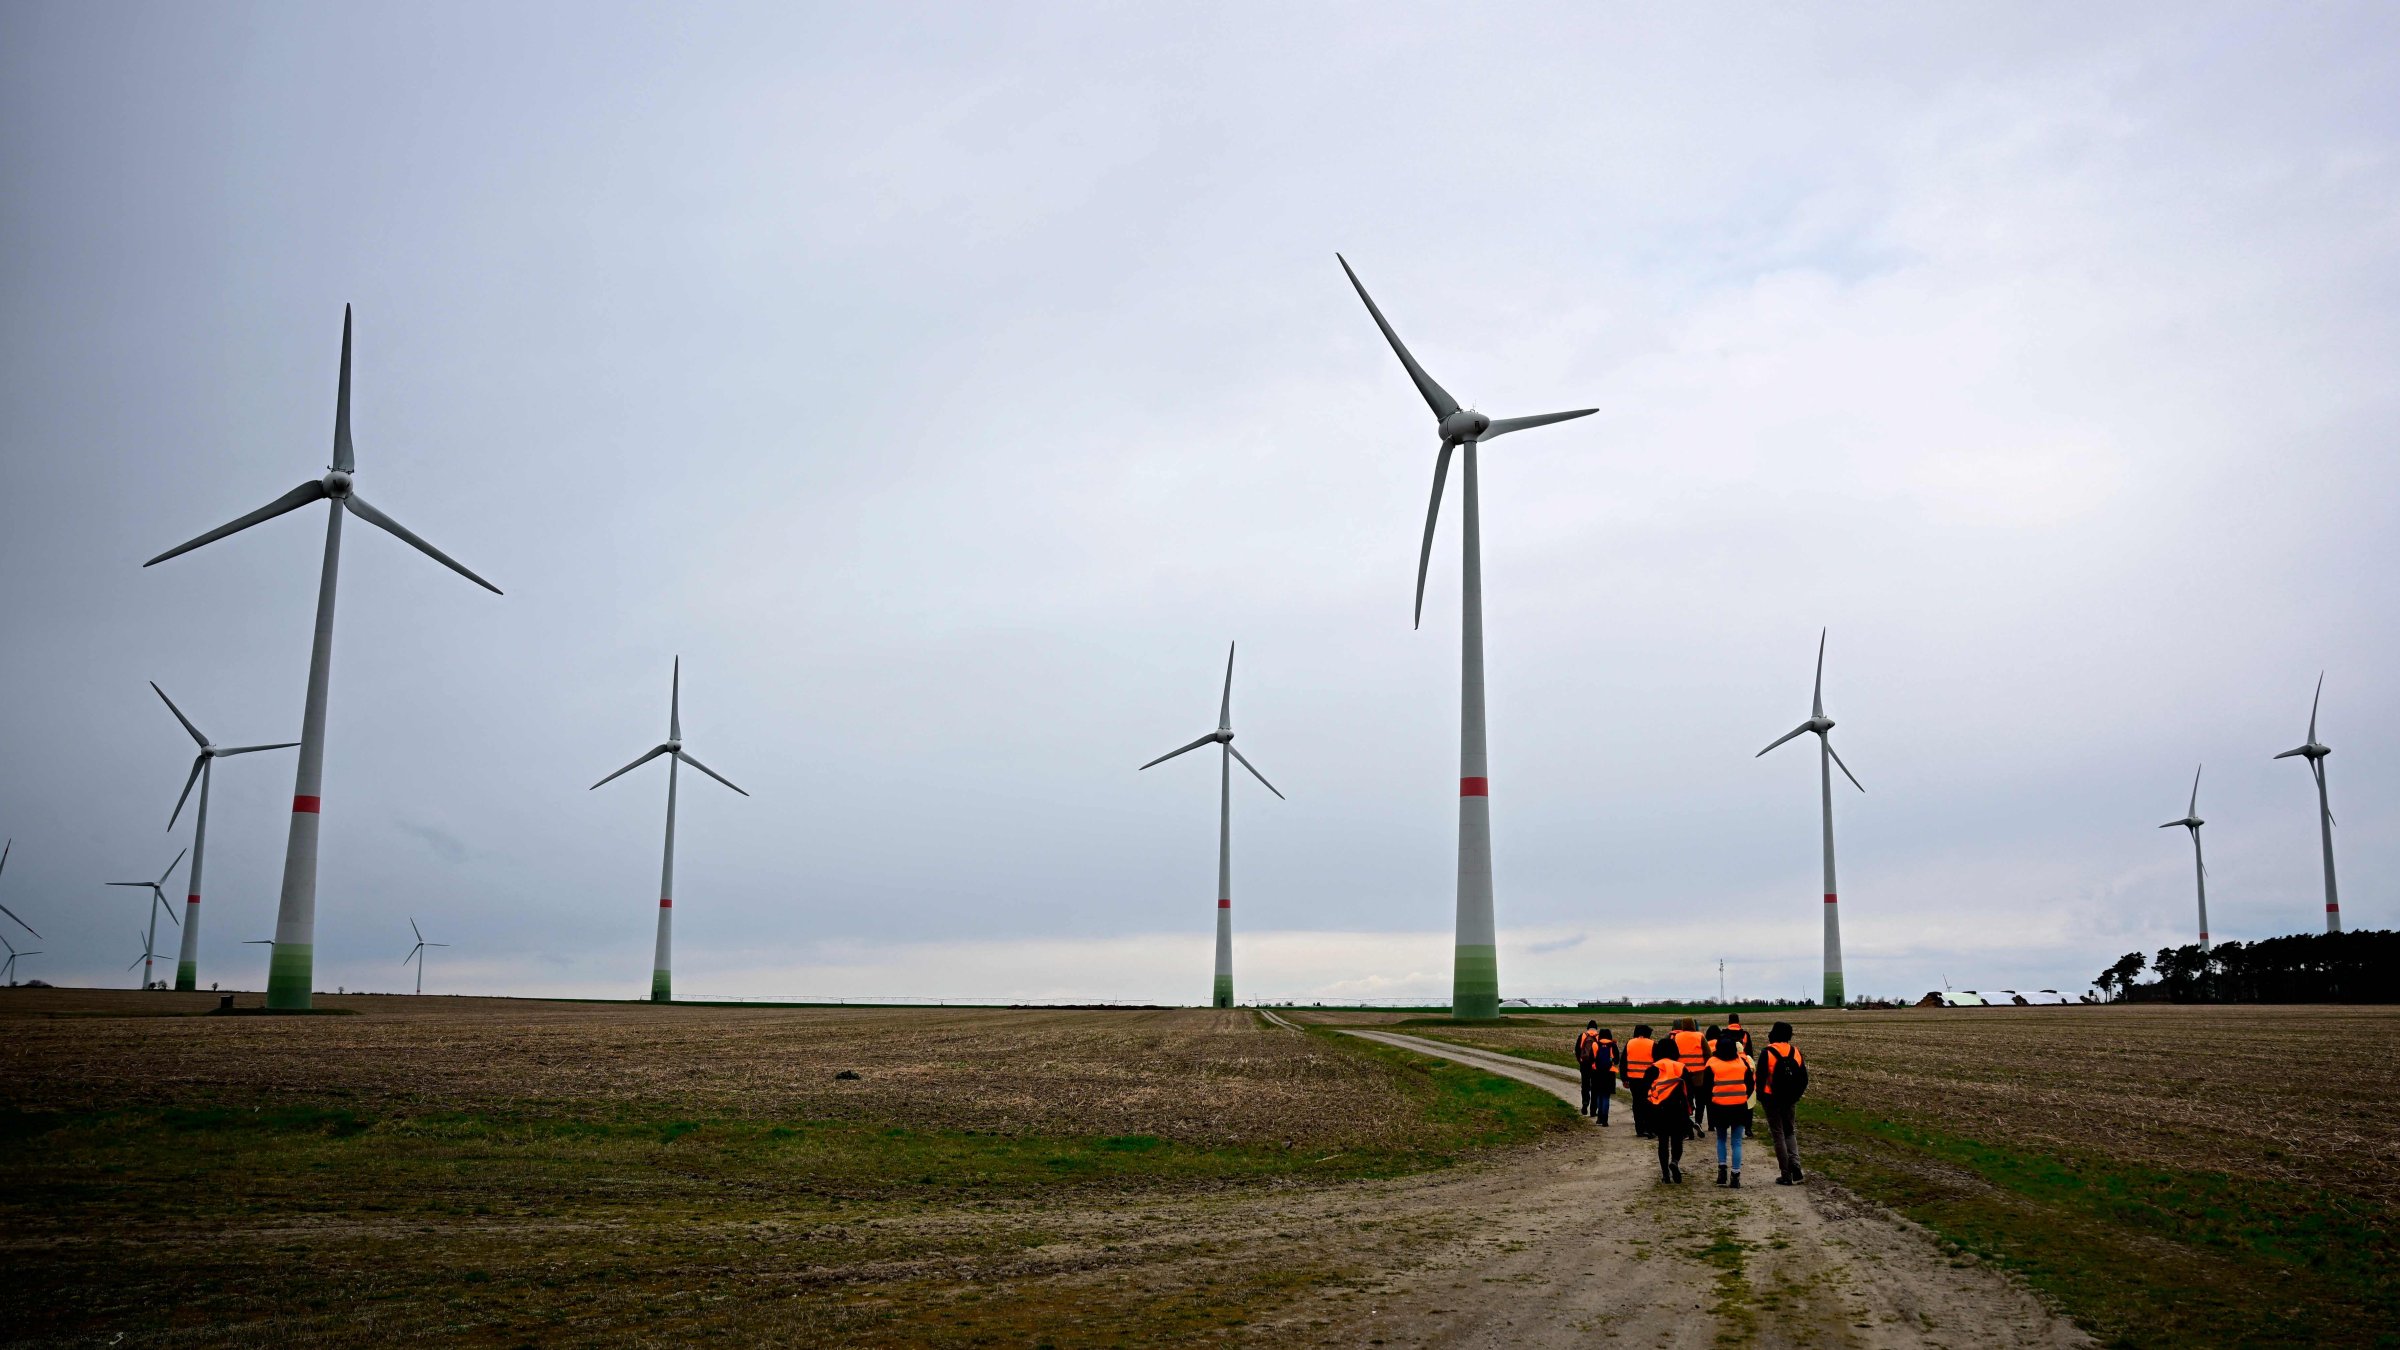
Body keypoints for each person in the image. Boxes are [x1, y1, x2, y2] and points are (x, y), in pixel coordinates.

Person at [1758, 1021, 1809, 1185]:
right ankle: (1796, 1165)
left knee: (1777, 1134)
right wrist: (1796, 1095)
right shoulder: (1796, 1052)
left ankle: (1786, 1174)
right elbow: (1804, 1079)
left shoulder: (1767, 1052)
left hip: (1771, 1099)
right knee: (1789, 1131)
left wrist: (1761, 1097)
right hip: (1790, 1099)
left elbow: (1760, 1078)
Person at [1705, 1031, 1755, 1187]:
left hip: (1719, 1107)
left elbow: (1706, 1088)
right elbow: (1750, 1085)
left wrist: (1711, 1103)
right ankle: (1735, 1175)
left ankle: (1722, 1171)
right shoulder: (1742, 1063)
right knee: (1737, 1142)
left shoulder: (1712, 1063)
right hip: (1739, 1107)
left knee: (1720, 1139)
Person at [1644, 1041, 1693, 1183]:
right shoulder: (1681, 1067)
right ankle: (1675, 1161)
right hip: (1678, 1109)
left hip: (1659, 1109)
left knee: (1663, 1141)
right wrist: (1690, 1106)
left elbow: (1645, 1091)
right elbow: (1689, 1091)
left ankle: (1665, 1174)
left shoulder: (1652, 1068)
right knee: (1677, 1139)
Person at [1671, 1018, 1708, 1131]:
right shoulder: (1700, 1036)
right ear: (1693, 1025)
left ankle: (1688, 1121)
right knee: (1700, 1099)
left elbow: (1673, 1054)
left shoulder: (1677, 1037)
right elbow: (1707, 1053)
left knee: (1686, 1098)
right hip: (1699, 1074)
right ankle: (1698, 1121)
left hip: (1683, 1073)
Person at [1622, 1025, 1657, 1138]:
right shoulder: (1652, 1044)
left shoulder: (1629, 1043)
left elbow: (1623, 1062)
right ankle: (1649, 1128)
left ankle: (1639, 1129)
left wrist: (1624, 1078)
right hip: (1648, 1079)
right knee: (1648, 1103)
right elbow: (1657, 1063)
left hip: (1633, 1079)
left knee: (1637, 1103)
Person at [1575, 1021, 1606, 1118]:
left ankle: (1585, 1103)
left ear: (1588, 1028)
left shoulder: (1583, 1036)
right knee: (1595, 1087)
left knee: (1585, 1085)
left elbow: (1577, 1050)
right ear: (1596, 1028)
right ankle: (1593, 1110)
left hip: (1584, 1064)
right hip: (1595, 1065)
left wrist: (1580, 1061)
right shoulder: (1598, 1037)